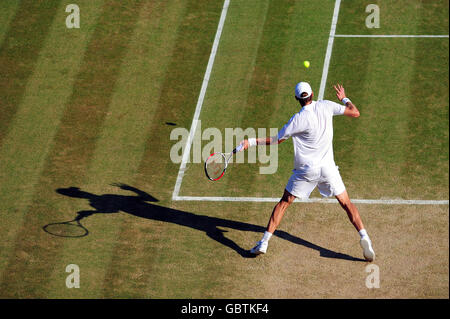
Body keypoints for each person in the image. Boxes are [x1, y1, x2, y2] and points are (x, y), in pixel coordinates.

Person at [240, 82, 375, 261]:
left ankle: (264, 242)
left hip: (306, 171)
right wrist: (344, 98)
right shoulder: (327, 105)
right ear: (312, 94)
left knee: (284, 203)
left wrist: (252, 141)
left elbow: (276, 140)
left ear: (297, 99)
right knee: (346, 203)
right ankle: (364, 237)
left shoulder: (297, 119)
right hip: (328, 169)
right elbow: (354, 112)